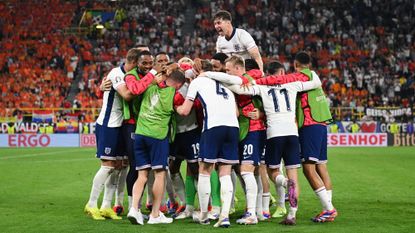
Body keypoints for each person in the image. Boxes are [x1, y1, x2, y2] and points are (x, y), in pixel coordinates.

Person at [202, 59, 322, 225]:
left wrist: (208, 76)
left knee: (266, 172)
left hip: (270, 132)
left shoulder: (260, 85)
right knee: (283, 173)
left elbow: (238, 87)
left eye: (228, 70)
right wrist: (310, 72)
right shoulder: (293, 84)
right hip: (291, 134)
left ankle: (263, 204)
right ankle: (289, 213)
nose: (227, 73)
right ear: (281, 73)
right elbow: (315, 82)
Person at [254, 51, 338, 223]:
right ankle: (295, 214)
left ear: (295, 65)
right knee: (317, 167)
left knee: (300, 169)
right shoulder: (299, 82)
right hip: (313, 126)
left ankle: (328, 208)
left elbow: (243, 87)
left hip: (304, 126)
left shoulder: (291, 79)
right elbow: (315, 80)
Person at [176, 62, 239, 228]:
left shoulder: (197, 81)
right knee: (225, 171)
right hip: (233, 128)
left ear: (198, 71)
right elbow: (237, 113)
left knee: (204, 169)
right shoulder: (226, 84)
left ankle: (204, 215)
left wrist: (174, 106)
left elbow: (184, 110)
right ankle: (224, 215)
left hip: (213, 127)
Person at [84, 48, 140, 221]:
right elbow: (126, 94)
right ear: (134, 63)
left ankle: (106, 206)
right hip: (108, 124)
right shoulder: (117, 73)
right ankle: (91, 204)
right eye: (140, 65)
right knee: (107, 165)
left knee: (117, 167)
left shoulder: (129, 75)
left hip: (120, 126)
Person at [127, 69, 186, 225]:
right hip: (157, 137)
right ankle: (155, 215)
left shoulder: (150, 87)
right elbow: (183, 111)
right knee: (160, 175)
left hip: (140, 134)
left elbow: (136, 105)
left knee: (142, 175)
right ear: (179, 84)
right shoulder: (175, 94)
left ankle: (134, 209)